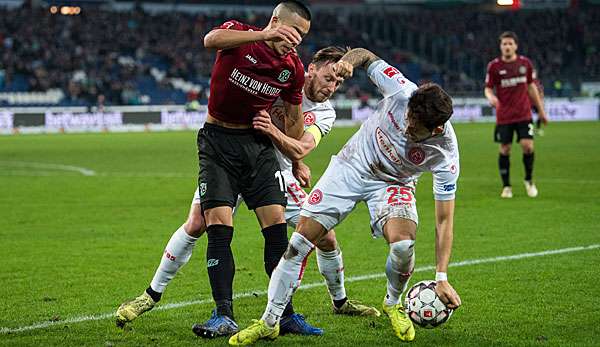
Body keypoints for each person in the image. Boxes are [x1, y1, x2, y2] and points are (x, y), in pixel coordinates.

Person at [115, 46, 380, 337]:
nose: (332, 87)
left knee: (325, 236)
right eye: (329, 78)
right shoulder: (281, 80)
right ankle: (151, 295)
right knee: (196, 224)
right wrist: (297, 160)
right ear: (312, 68)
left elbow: (302, 144)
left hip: (273, 171)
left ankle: (339, 302)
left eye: (338, 83)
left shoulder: (324, 113)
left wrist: (295, 159)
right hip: (231, 159)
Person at [229, 47, 462, 345]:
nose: (406, 126)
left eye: (414, 128)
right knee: (299, 242)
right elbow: (365, 55)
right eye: (407, 118)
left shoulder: (446, 155)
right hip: (351, 166)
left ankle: (393, 303)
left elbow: (445, 221)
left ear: (436, 129)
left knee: (403, 246)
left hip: (394, 184)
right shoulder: (402, 90)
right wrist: (346, 63)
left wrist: (441, 277)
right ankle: (270, 321)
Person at [484, 31, 548, 199]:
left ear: (516, 46)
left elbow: (531, 87)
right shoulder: (494, 66)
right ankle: (506, 186)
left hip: (524, 114)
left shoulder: (525, 64)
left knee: (528, 146)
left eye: (510, 43)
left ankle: (529, 180)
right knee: (505, 149)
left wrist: (541, 111)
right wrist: (491, 97)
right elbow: (488, 88)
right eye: (504, 44)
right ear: (500, 46)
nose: (507, 46)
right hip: (504, 116)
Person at [531, 70, 546, 136]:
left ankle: (538, 129)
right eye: (532, 72)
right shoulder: (527, 82)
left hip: (536, 103)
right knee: (528, 117)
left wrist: (541, 101)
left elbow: (541, 92)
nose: (533, 74)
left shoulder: (538, 82)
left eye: (534, 73)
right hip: (529, 103)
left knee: (540, 115)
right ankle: (530, 130)